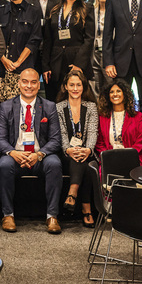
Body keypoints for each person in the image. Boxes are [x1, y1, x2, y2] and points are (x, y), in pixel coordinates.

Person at [0, 67, 63, 234]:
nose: (29, 86)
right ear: (19, 83)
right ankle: (8, 215)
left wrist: (38, 155)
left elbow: (55, 140)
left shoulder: (49, 106)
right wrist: (13, 153)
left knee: (54, 164)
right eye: (25, 82)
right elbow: (0, 139)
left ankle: (52, 216)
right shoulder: (6, 106)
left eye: (33, 82)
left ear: (38, 85)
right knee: (4, 164)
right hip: (15, 155)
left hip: (40, 156)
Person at [0, 0, 42, 112]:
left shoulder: (34, 11)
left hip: (22, 69)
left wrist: (18, 62)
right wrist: (4, 59)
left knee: (18, 111)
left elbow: (34, 40)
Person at [55, 69, 99, 228]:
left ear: (84, 87)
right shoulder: (59, 107)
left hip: (87, 152)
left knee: (85, 162)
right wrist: (68, 149)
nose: (75, 88)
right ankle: (86, 209)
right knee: (80, 161)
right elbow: (61, 133)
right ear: (65, 86)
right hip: (66, 153)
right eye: (72, 85)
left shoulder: (91, 107)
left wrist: (88, 149)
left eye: (78, 85)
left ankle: (72, 194)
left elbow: (93, 131)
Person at [42, 0, 95, 101]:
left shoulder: (87, 8)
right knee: (54, 101)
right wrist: (45, 66)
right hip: (55, 64)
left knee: (77, 101)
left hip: (76, 63)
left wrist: (79, 65)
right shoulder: (53, 8)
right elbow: (48, 40)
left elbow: (89, 39)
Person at [95, 78, 142, 164]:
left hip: (131, 159)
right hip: (110, 160)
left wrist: (127, 156)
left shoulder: (137, 116)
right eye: (111, 92)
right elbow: (99, 143)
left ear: (125, 94)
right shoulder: (102, 118)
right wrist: (109, 156)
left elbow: (140, 140)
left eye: (118, 91)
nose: (115, 94)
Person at [89, 0, 113, 95]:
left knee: (110, 86)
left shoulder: (116, 11)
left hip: (110, 54)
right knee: (95, 88)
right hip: (93, 54)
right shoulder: (90, 10)